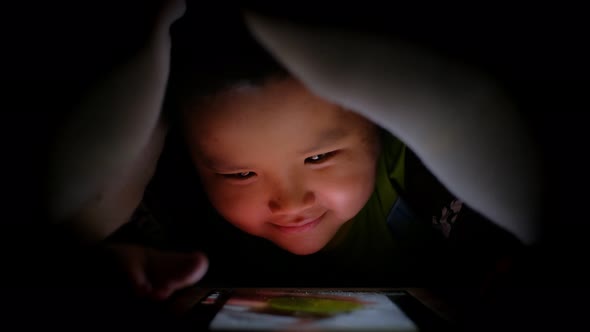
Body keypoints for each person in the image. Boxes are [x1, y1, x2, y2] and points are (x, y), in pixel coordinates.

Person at [47, 1, 541, 300]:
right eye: (239, 174)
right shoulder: (175, 214)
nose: (288, 202)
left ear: (378, 127)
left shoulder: (423, 178)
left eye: (318, 158)